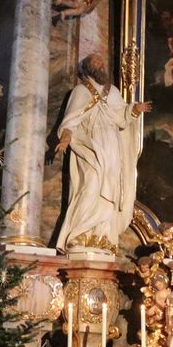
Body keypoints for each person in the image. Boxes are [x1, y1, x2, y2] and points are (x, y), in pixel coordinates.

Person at [52, 53, 149, 255]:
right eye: (96, 63)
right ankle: (79, 233)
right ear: (87, 68)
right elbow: (71, 119)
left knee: (110, 192)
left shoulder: (112, 91)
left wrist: (134, 110)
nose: (101, 66)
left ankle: (101, 236)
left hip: (112, 146)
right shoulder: (80, 91)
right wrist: (66, 137)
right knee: (92, 184)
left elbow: (122, 117)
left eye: (102, 63)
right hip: (91, 144)